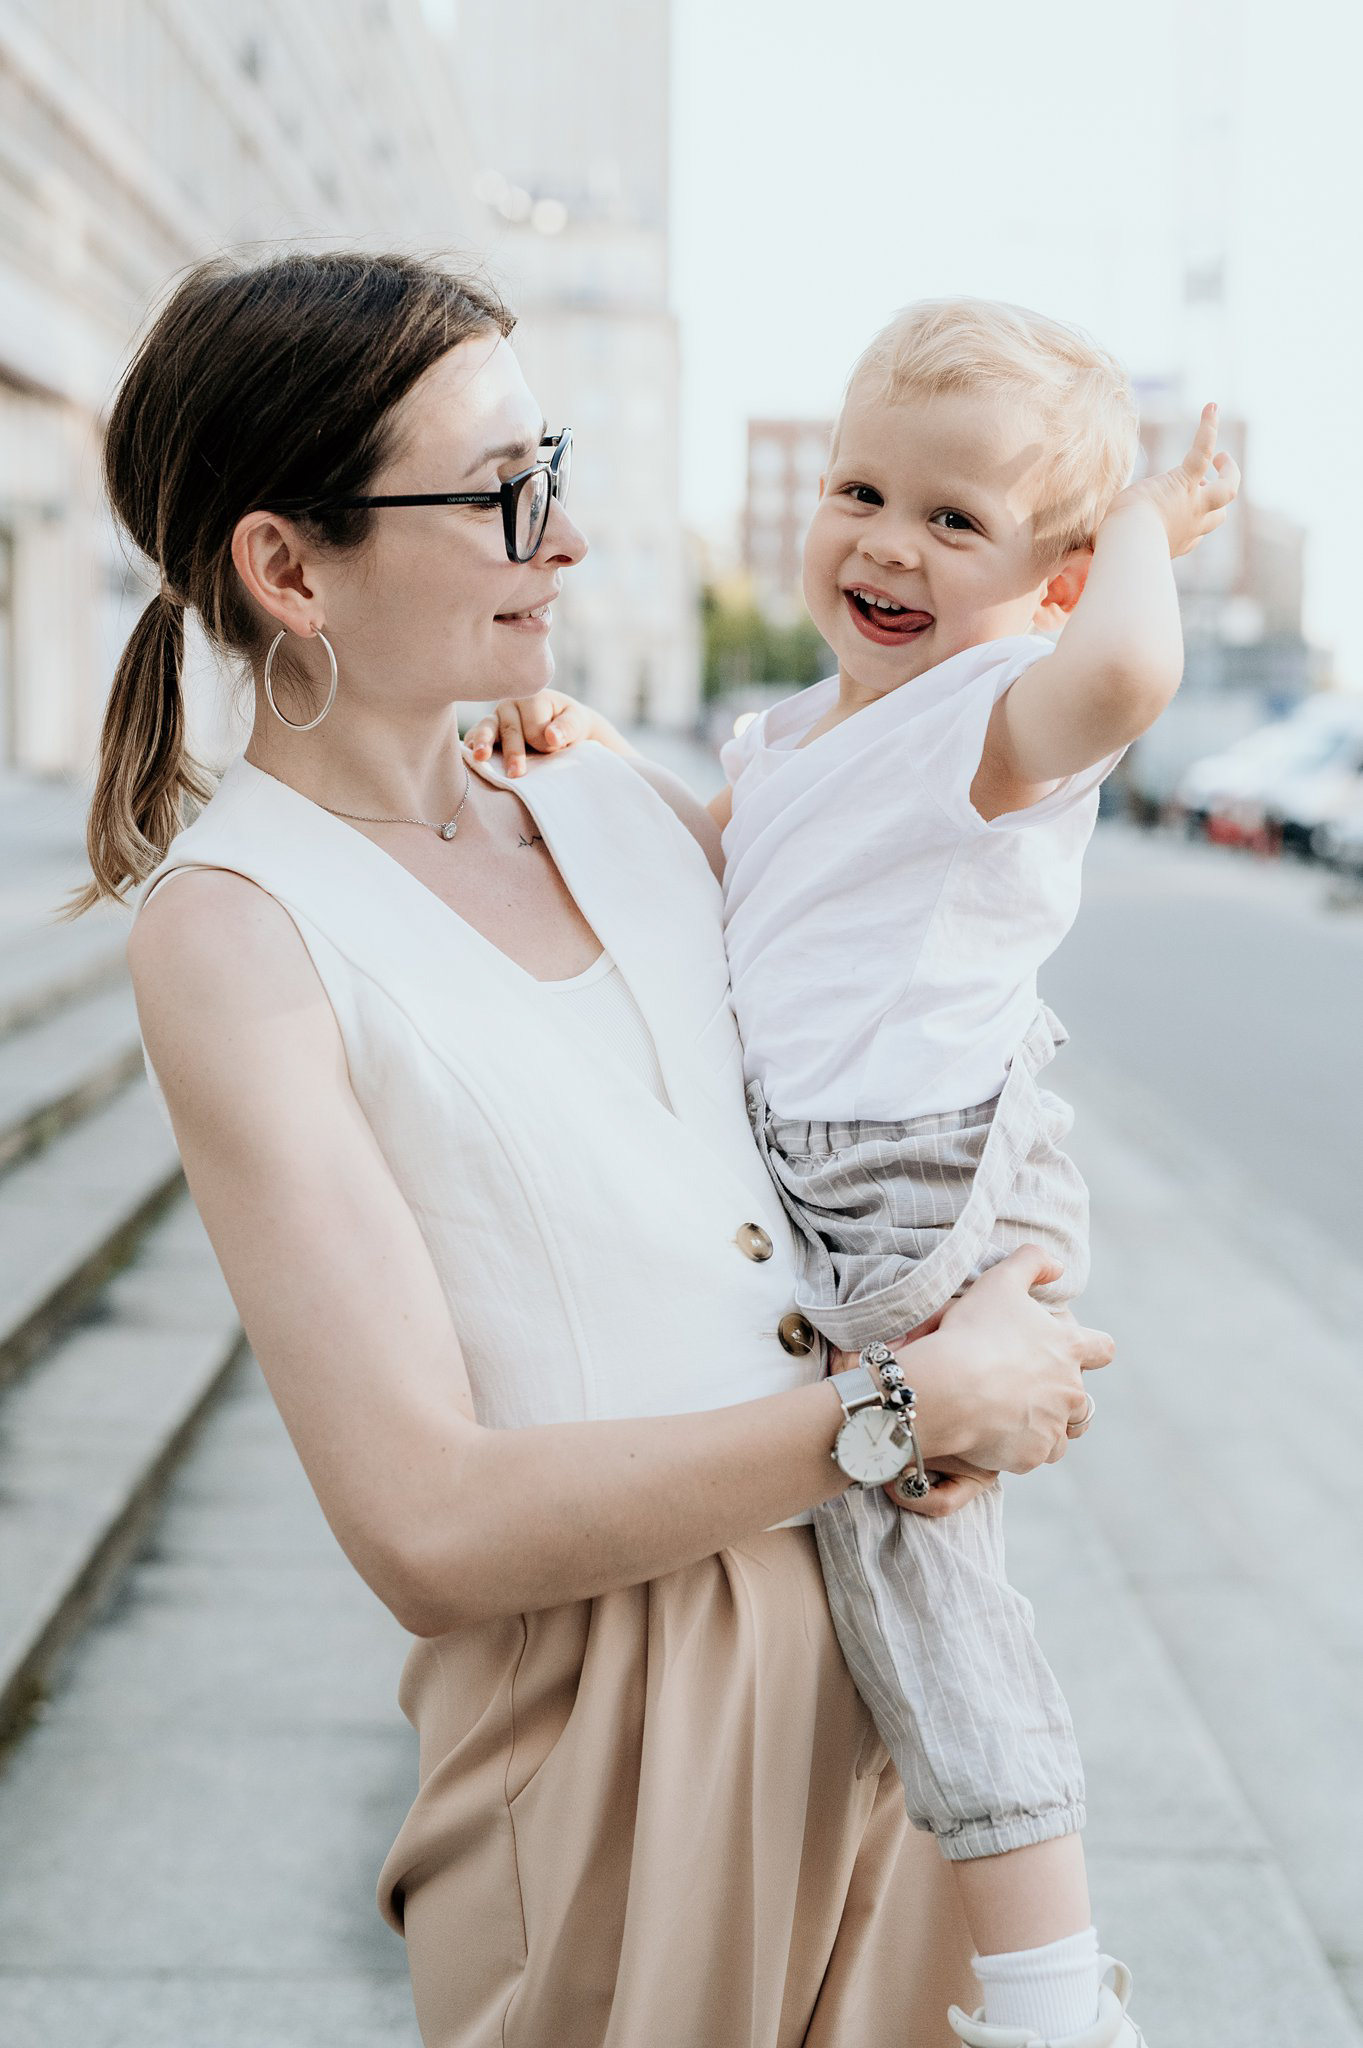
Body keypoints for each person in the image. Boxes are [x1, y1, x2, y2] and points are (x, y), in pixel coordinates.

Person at [79, 252, 1112, 2048]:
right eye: (502, 496)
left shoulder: (613, 794)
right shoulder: (236, 927)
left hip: (912, 1704)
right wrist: (908, 1414)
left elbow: (906, 1067)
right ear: (287, 565)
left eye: (545, 469)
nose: (565, 539)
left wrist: (1014, 1286)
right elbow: (424, 1520)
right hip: (617, 1754)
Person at [473, 297, 1239, 2048]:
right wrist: (594, 763)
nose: (887, 543)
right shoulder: (799, 729)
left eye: (955, 522)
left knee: (921, 1572)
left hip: (897, 1174)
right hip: (854, 1163)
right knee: (895, 1545)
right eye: (861, 489)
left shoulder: (992, 717)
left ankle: (1052, 1995)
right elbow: (732, 882)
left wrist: (1134, 532)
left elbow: (1125, 672)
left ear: (1042, 581)